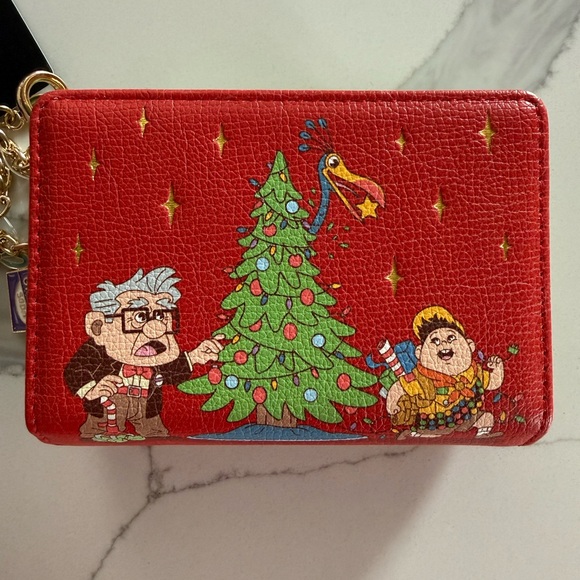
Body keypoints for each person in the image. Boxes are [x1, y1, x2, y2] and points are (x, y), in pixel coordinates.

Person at [64, 267, 224, 441]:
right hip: (107, 403)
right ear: (98, 327)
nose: (156, 329)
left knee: (158, 434)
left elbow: (170, 370)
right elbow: (74, 370)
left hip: (147, 407)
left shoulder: (153, 353)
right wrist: (90, 390)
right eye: (140, 317)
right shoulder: (96, 350)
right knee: (96, 434)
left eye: (162, 316)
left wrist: (194, 357)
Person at [386, 306, 504, 439]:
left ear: (470, 345)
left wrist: (498, 368)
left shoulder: (473, 372)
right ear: (419, 352)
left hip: (467, 417)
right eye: (435, 340)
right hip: (436, 424)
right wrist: (393, 405)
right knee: (433, 436)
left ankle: (480, 435)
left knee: (487, 418)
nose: (443, 343)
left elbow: (492, 382)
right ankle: (417, 435)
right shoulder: (422, 380)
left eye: (451, 337)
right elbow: (401, 387)